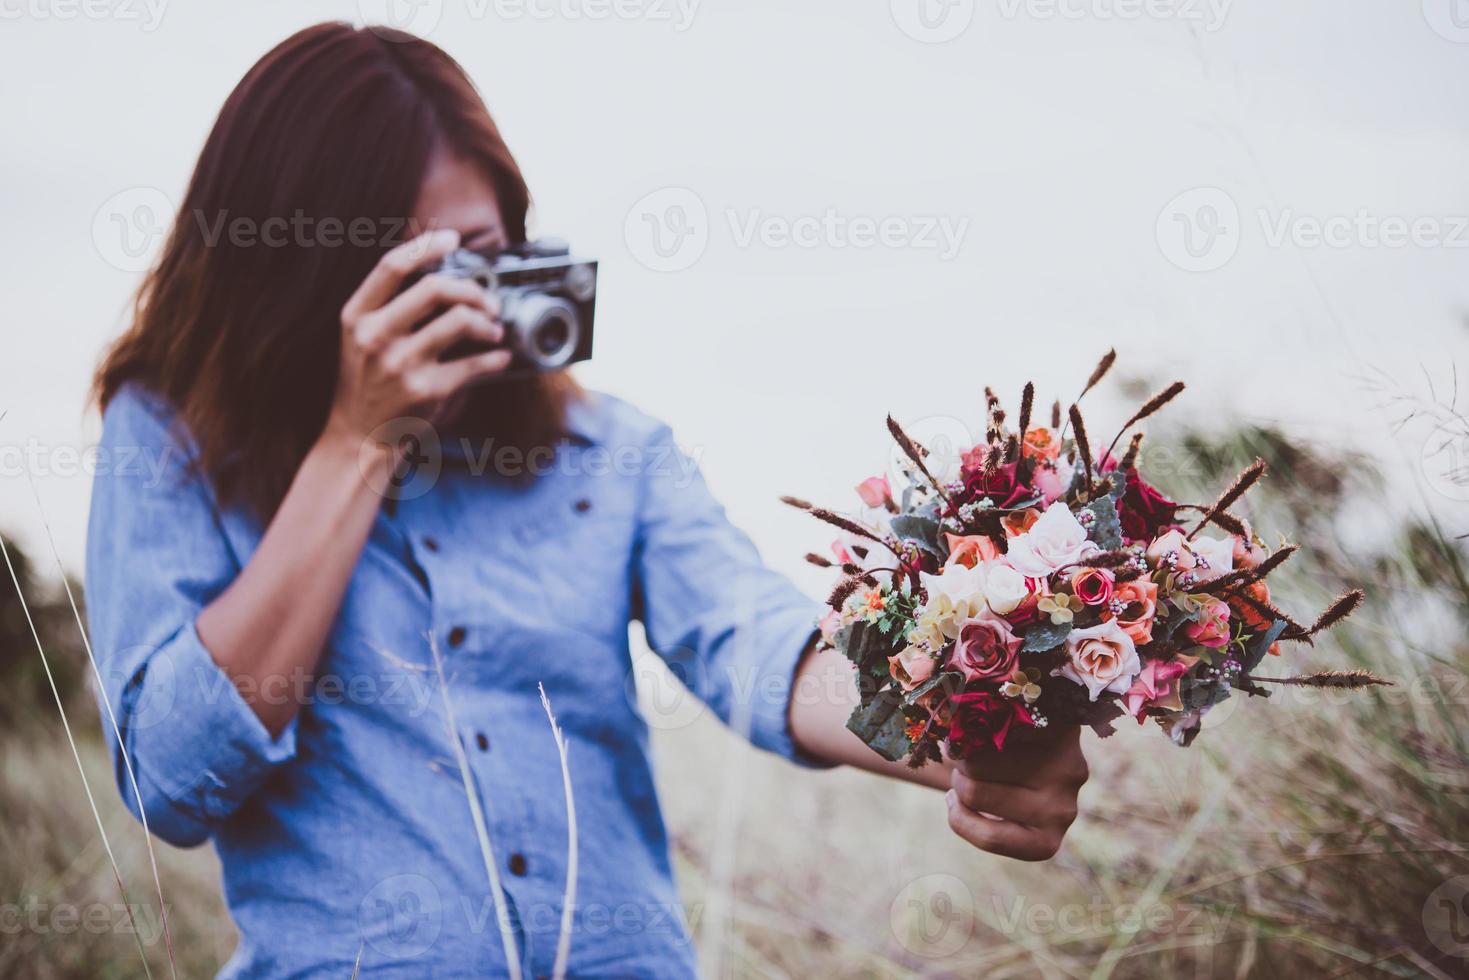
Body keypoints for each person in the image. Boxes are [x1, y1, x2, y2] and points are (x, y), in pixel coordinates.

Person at [86, 21, 1087, 978]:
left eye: (479, 252)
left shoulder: (608, 450)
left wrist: (971, 734)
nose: (454, 305)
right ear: (298, 275)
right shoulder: (170, 440)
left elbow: (760, 648)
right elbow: (170, 776)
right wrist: (356, 442)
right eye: (408, 273)